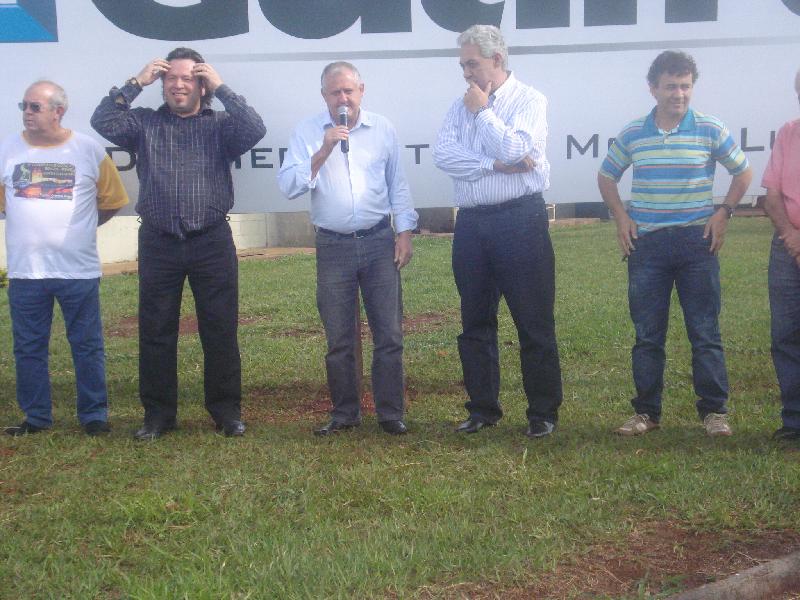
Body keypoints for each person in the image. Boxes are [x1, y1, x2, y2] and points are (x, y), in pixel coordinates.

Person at [91, 47, 266, 440]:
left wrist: (222, 88)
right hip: (159, 240)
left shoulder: (222, 125)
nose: (179, 84)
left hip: (211, 240)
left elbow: (255, 127)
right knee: (155, 330)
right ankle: (158, 416)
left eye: (188, 77)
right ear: (162, 84)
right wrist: (136, 82)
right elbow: (102, 118)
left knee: (219, 329)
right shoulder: (143, 124)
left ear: (201, 84)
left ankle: (225, 412)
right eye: (171, 78)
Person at [598, 50, 752, 437]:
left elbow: (743, 172)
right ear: (653, 88)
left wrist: (724, 212)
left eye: (685, 86)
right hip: (646, 244)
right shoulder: (634, 133)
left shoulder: (710, 128)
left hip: (696, 242)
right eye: (671, 86)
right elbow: (606, 177)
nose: (679, 94)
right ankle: (646, 414)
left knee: (705, 332)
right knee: (648, 335)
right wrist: (621, 216)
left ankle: (714, 413)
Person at [432, 25, 563, 438]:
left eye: (472, 63)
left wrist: (484, 113)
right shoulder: (457, 106)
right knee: (474, 321)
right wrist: (491, 165)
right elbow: (443, 155)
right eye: (462, 65)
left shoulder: (529, 100)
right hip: (471, 223)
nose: (466, 72)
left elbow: (515, 150)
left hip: (520, 219)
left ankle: (542, 412)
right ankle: (483, 409)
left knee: (533, 320)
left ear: (497, 60)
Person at [278, 61, 418, 436]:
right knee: (339, 336)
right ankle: (345, 413)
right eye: (335, 92)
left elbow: (397, 184)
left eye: (348, 91)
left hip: (377, 241)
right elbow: (290, 185)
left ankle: (390, 413)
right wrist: (322, 151)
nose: (343, 98)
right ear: (324, 95)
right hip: (333, 246)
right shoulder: (308, 131)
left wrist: (404, 231)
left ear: (361, 91)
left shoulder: (382, 128)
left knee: (388, 333)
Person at [1, 81, 128, 436]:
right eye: (23, 105)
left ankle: (94, 416)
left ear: (59, 111)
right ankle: (36, 417)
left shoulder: (88, 150)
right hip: (27, 272)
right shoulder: (7, 150)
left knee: (87, 345)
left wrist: (83, 228)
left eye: (35, 107)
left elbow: (113, 200)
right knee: (28, 348)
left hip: (78, 270)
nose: (27, 113)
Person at [762, 68, 800, 441]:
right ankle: (794, 423)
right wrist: (790, 235)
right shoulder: (789, 133)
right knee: (786, 335)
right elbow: (770, 195)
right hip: (787, 247)